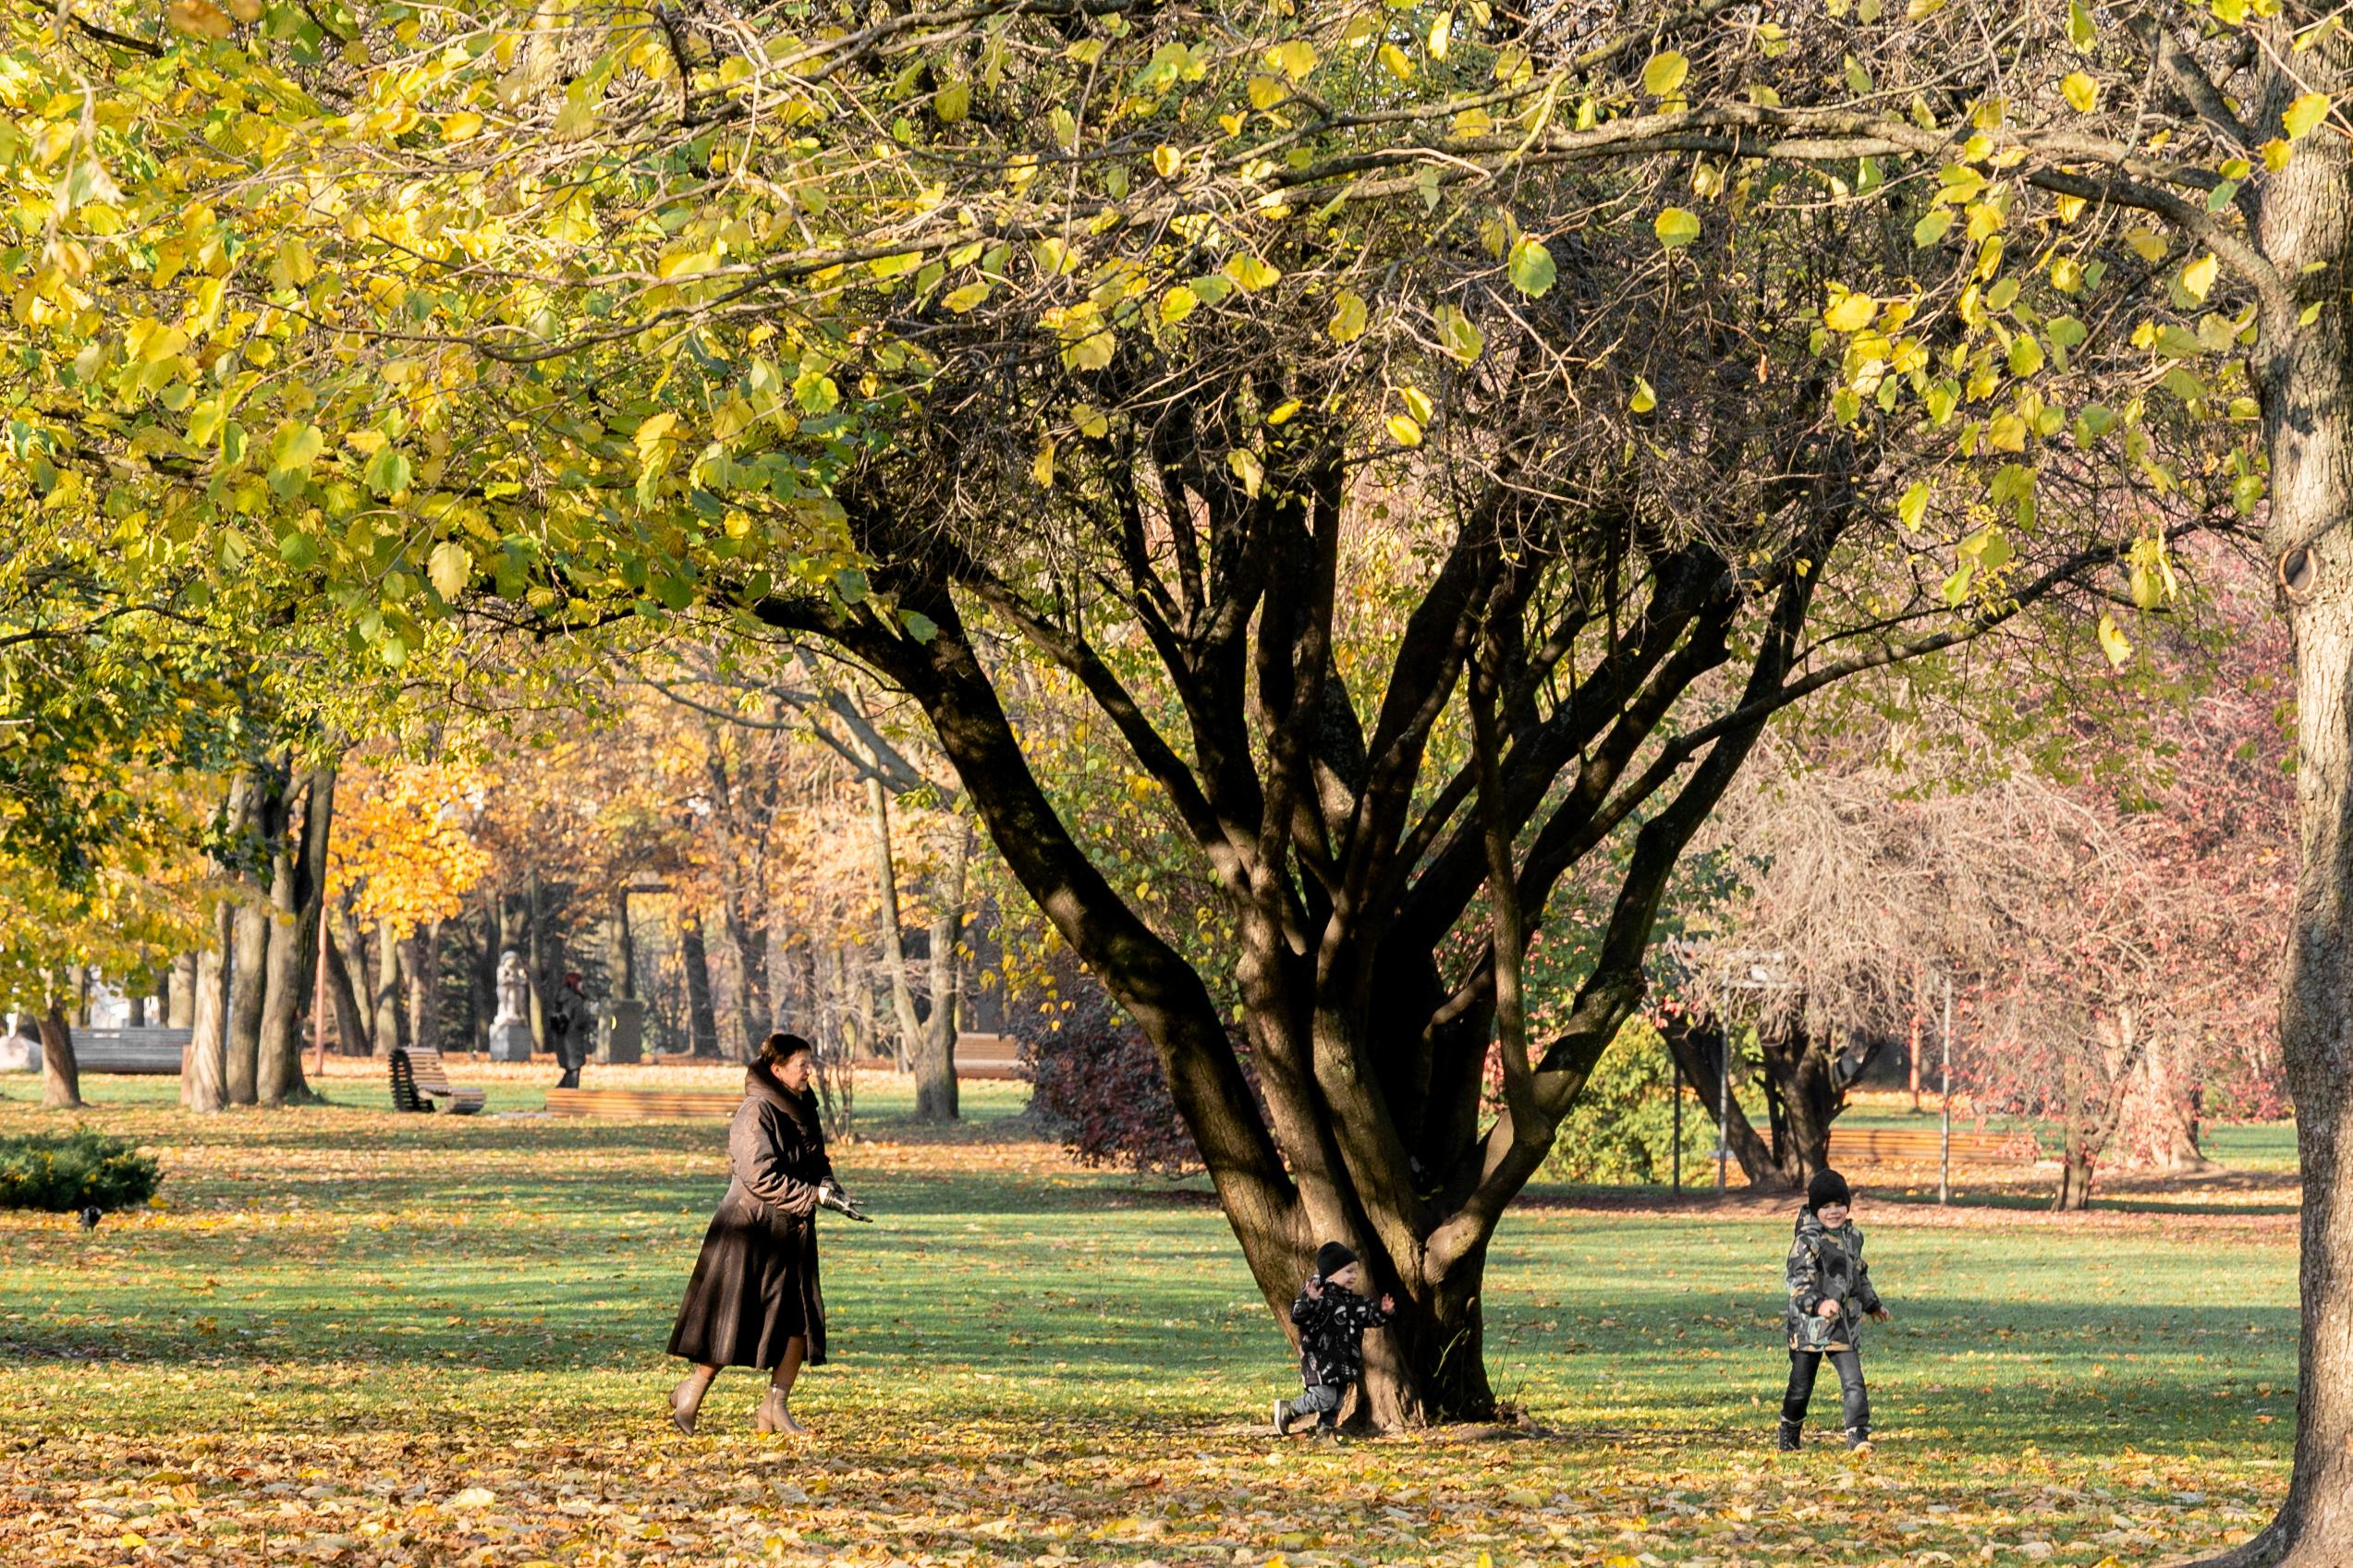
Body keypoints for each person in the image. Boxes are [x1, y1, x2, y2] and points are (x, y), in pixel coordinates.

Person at [666, 1032, 858, 1434]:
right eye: (801, 1064)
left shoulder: (803, 1107)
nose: (809, 1071)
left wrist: (830, 1186)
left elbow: (816, 1159)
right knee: (733, 1319)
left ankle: (775, 1406)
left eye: (810, 1063)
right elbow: (759, 1176)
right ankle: (691, 1391)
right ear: (777, 1069)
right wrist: (814, 1196)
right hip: (749, 1230)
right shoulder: (755, 1111)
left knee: (800, 1321)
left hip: (792, 1228)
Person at [1780, 1168, 1891, 1453]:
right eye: (1826, 1206)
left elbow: (1859, 1275)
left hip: (1843, 1326)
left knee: (1854, 1382)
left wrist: (1872, 1304)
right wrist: (1818, 1304)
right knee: (1801, 1387)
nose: (1833, 1211)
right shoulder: (1806, 1242)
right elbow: (1798, 1283)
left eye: (1838, 1204)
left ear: (1847, 1205)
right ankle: (1789, 1432)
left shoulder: (1853, 1237)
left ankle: (1858, 1435)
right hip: (1809, 1329)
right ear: (1815, 1209)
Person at [1274, 1242, 1395, 1436]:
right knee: (1325, 1398)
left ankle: (1325, 1433)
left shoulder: (1353, 1302)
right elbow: (1298, 1316)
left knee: (1336, 1402)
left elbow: (1369, 1316)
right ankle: (1289, 1409)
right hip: (1320, 1363)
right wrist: (1309, 1300)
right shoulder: (1318, 1298)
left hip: (1344, 1363)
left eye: (1355, 1271)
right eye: (1348, 1271)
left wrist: (1383, 1312)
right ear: (1330, 1274)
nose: (1354, 1276)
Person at [550, 972, 593, 1089]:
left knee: (570, 1072)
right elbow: (580, 1021)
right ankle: (569, 1101)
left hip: (561, 1039)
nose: (581, 985)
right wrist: (588, 1018)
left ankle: (554, 1098)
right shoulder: (576, 999)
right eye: (579, 982)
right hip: (573, 1040)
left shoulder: (560, 997)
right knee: (574, 1072)